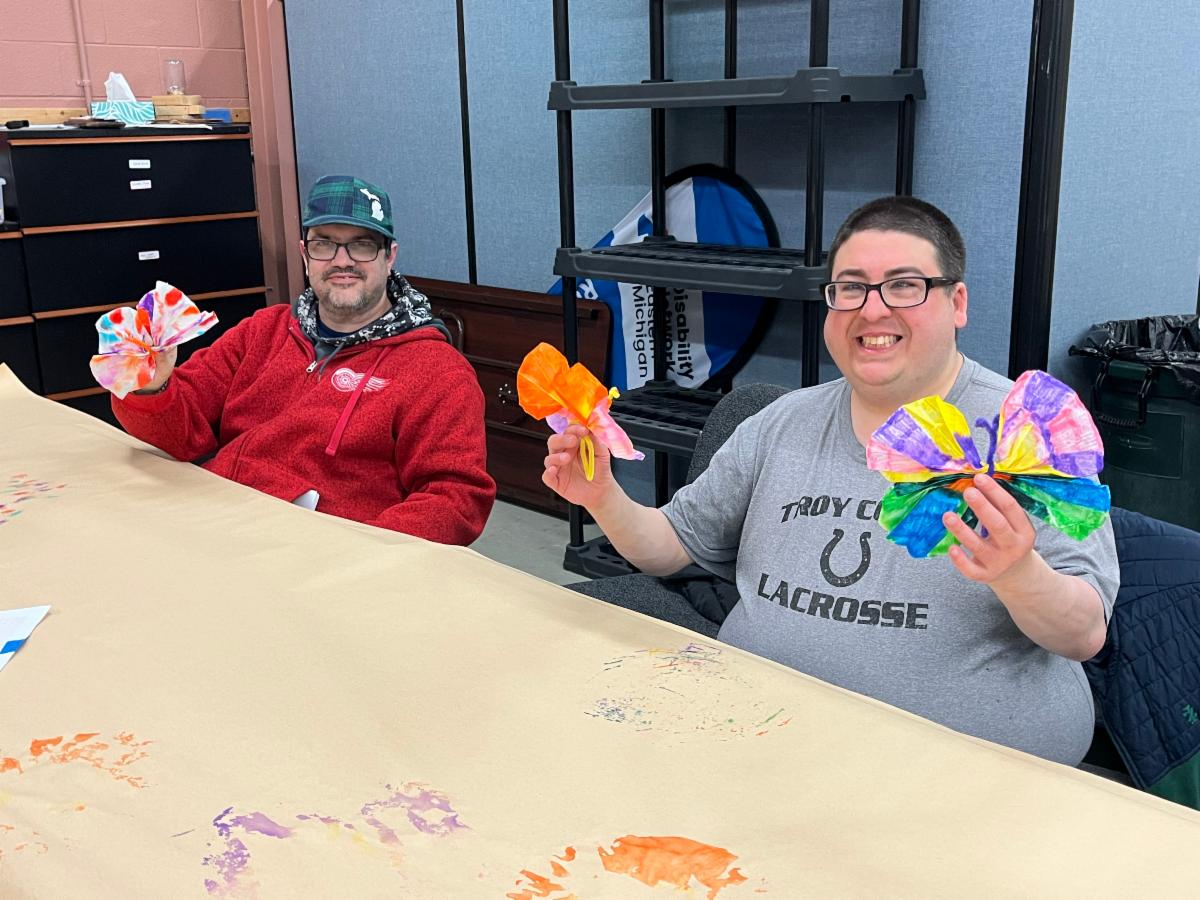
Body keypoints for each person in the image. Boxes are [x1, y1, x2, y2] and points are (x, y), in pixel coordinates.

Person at [542, 196, 1117, 766]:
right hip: (757, 743)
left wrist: (1019, 575)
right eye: (851, 287)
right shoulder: (778, 423)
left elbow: (1084, 633)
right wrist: (603, 496)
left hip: (962, 775)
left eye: (904, 285)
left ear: (957, 301)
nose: (872, 311)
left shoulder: (1027, 433)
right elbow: (670, 547)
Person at [108, 174, 495, 544]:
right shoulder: (264, 330)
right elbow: (180, 431)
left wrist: (362, 549)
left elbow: (455, 497)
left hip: (326, 557)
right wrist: (152, 385)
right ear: (305, 254)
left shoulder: (435, 370)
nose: (342, 261)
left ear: (389, 256)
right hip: (217, 521)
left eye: (362, 245)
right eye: (324, 244)